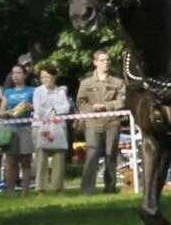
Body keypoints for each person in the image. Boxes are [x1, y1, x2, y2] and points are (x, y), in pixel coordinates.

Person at [74, 49, 125, 194]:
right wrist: (91, 108)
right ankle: (87, 189)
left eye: (108, 60)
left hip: (112, 122)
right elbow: (80, 102)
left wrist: (106, 106)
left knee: (111, 155)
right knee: (92, 154)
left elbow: (122, 100)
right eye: (103, 60)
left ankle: (110, 188)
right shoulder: (86, 82)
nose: (106, 62)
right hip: (92, 122)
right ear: (95, 62)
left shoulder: (118, 82)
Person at [31, 68, 70, 194]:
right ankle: (41, 188)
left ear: (54, 77)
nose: (45, 79)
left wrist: (52, 109)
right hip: (40, 126)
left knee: (59, 156)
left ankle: (58, 187)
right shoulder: (37, 91)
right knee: (41, 157)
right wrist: (53, 112)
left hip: (59, 127)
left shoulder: (61, 91)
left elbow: (66, 108)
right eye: (42, 77)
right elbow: (38, 109)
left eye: (47, 76)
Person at [0, 65, 34, 192]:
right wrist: (9, 112)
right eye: (13, 73)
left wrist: (31, 107)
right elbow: (0, 113)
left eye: (18, 73)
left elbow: (39, 108)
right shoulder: (8, 92)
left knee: (26, 161)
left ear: (24, 75)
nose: (15, 76)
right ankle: (10, 191)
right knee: (11, 162)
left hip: (26, 128)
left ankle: (25, 191)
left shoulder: (32, 90)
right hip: (11, 129)